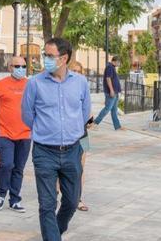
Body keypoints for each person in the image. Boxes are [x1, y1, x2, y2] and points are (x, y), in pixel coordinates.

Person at [22, 38, 91, 241]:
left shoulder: (80, 82)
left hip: (72, 150)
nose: (45, 59)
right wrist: (46, 130)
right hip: (44, 151)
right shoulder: (35, 83)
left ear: (64, 58)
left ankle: (54, 232)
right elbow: (27, 115)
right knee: (47, 204)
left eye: (49, 56)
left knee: (71, 201)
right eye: (45, 55)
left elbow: (85, 112)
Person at [0, 56, 31, 213]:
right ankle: (1, 194)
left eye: (23, 66)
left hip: (25, 133)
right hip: (4, 132)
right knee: (7, 164)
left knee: (19, 168)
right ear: (9, 67)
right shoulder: (0, 85)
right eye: (17, 66)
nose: (20, 69)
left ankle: (15, 199)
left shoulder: (30, 85)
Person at [67, 61, 93, 212]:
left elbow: (88, 111)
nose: (77, 73)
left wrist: (90, 120)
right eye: (73, 71)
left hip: (83, 134)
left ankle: (78, 198)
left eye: (79, 71)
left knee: (81, 167)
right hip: (67, 135)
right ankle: (59, 192)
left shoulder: (83, 88)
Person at [94, 56, 122, 130]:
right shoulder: (109, 67)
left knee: (114, 110)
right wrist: (111, 90)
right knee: (107, 109)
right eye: (119, 62)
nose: (119, 64)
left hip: (115, 92)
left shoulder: (112, 67)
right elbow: (108, 79)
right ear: (115, 61)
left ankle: (117, 126)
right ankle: (94, 123)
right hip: (111, 92)